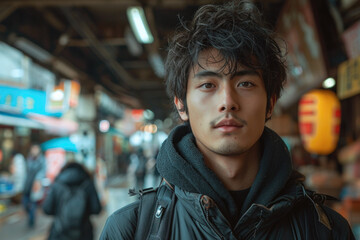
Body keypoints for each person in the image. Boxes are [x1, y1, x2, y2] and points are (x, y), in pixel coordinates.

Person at [100, 1, 355, 239]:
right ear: (181, 105)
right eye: (208, 85)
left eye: (245, 83)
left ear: (271, 102)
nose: (227, 101)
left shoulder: (324, 230)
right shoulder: (131, 229)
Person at [43, 161, 102, 240]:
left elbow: (47, 209)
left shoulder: (57, 184)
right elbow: (96, 209)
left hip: (59, 232)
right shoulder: (88, 184)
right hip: (84, 233)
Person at [22, 143, 46, 228]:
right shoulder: (28, 159)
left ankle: (31, 220)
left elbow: (43, 172)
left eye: (36, 149)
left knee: (33, 204)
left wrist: (38, 181)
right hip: (27, 185)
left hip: (35, 186)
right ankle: (30, 217)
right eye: (33, 149)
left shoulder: (42, 160)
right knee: (25, 204)